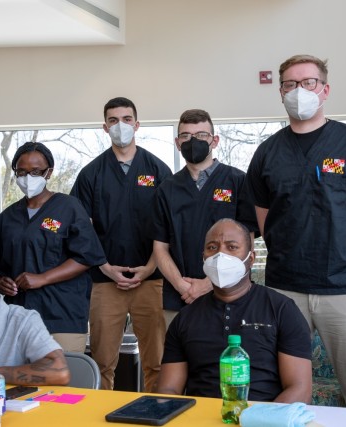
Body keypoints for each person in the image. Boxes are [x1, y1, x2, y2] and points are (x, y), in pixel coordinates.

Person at [239, 54, 346, 425]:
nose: (299, 91)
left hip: (345, 290)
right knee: (280, 386)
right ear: (280, 93)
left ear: (325, 89)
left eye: (308, 82)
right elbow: (264, 220)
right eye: (289, 84)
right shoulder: (268, 152)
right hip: (284, 291)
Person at [70, 97, 172, 392]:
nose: (120, 126)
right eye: (113, 120)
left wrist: (150, 267)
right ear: (105, 127)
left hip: (151, 280)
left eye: (126, 119)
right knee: (102, 363)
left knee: (157, 362)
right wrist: (105, 267)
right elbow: (80, 229)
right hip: (104, 282)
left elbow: (167, 228)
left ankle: (155, 413)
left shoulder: (157, 170)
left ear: (137, 125)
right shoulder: (91, 174)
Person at [155, 219, 311, 402]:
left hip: (264, 418)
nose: (220, 255)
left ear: (251, 258)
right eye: (212, 248)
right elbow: (168, 389)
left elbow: (300, 389)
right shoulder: (185, 318)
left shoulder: (282, 310)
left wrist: (260, 420)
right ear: (204, 258)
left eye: (232, 247)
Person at [0, 142, 106, 353]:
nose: (28, 177)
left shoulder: (69, 207)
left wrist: (42, 278)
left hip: (62, 315)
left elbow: (87, 256)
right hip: (19, 315)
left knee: (65, 379)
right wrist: (1, 281)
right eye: (22, 172)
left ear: (49, 172)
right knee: (21, 381)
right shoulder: (7, 217)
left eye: (36, 171)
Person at [151, 109, 257, 327]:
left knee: (229, 357)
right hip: (180, 297)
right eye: (186, 136)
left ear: (214, 140)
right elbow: (160, 248)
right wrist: (183, 286)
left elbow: (248, 243)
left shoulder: (237, 181)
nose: (193, 141)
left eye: (201, 135)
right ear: (177, 143)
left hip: (230, 293)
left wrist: (209, 284)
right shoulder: (166, 188)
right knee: (178, 358)